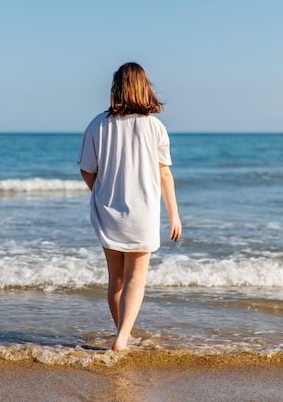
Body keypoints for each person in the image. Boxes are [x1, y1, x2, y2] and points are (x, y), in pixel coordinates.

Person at [77, 62, 181, 351]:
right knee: (136, 278)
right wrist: (174, 214)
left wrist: (100, 192)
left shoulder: (97, 124)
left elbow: (87, 169)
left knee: (116, 278)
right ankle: (122, 337)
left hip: (108, 210)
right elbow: (164, 173)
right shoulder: (155, 127)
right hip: (143, 213)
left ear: (116, 88)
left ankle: (121, 333)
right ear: (144, 88)